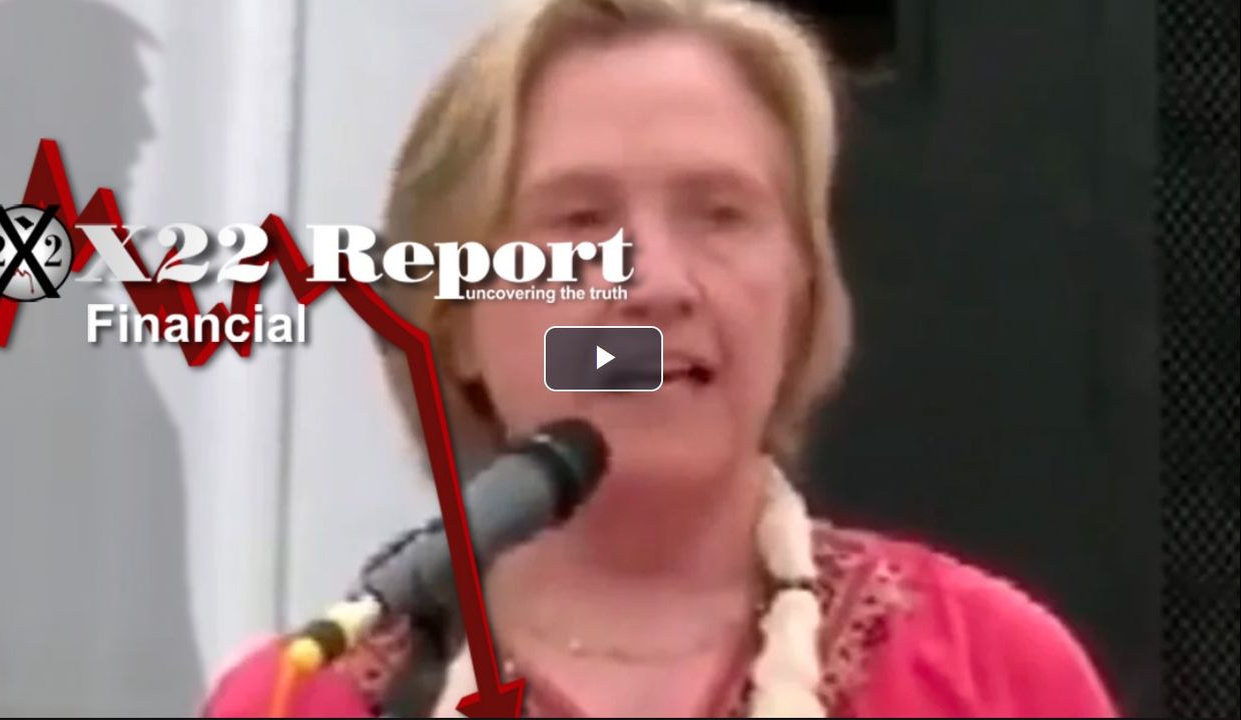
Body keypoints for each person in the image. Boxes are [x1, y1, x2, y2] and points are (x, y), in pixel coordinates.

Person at [206, 0, 1118, 716]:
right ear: (453, 320)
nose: (657, 285)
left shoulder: (994, 674)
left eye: (721, 214)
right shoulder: (298, 702)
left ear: (801, 292)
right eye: (580, 220)